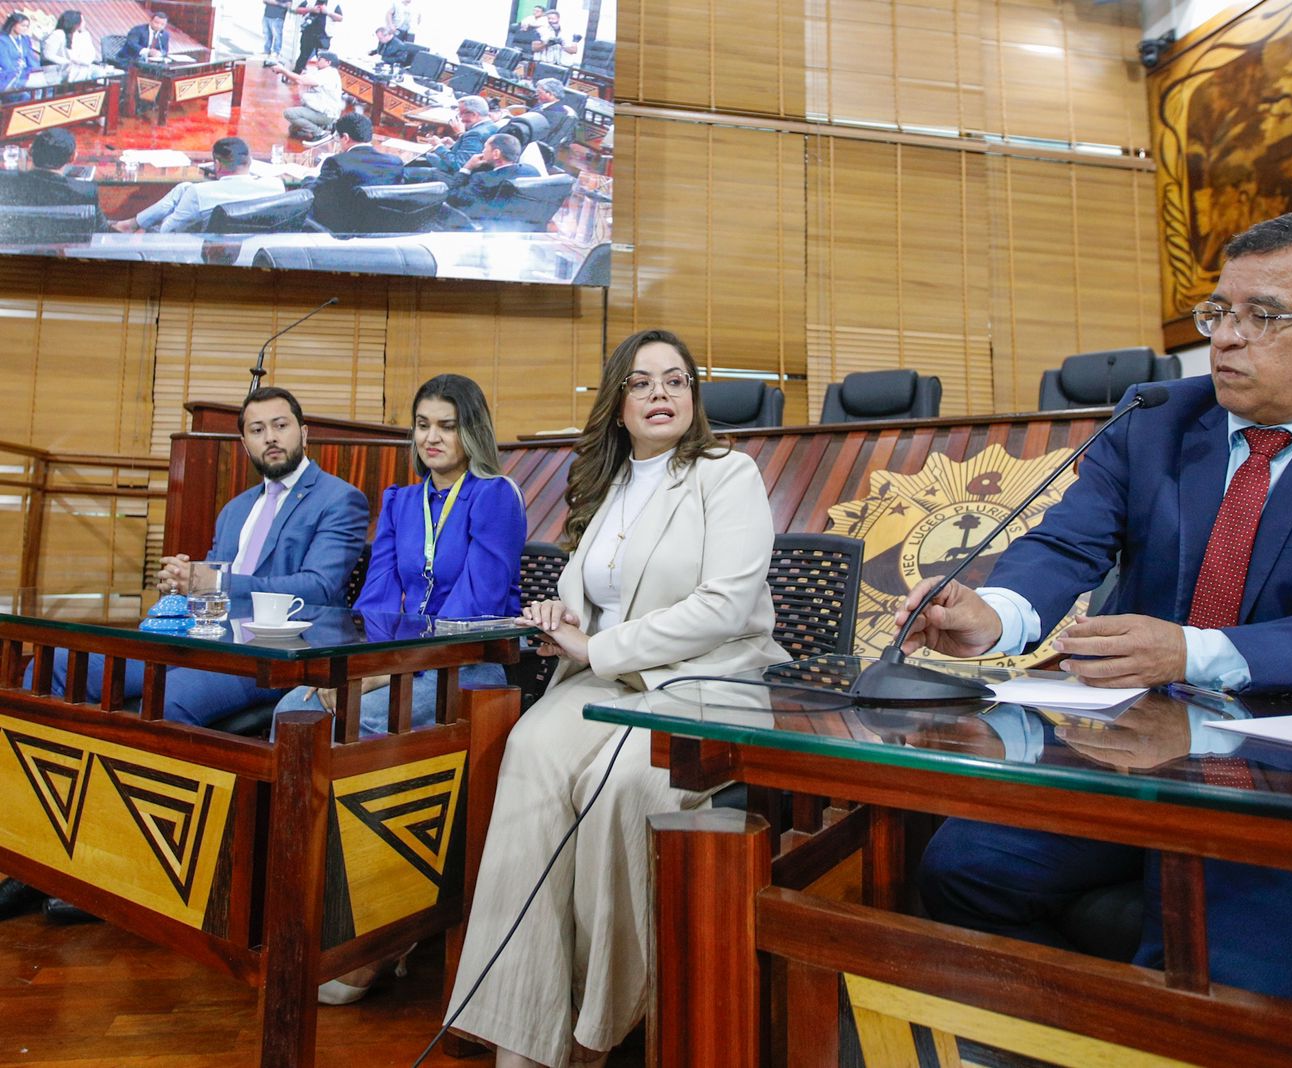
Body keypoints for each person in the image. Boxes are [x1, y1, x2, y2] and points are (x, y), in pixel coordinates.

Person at [900, 210, 1292, 1000]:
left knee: (1217, 962)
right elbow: (1068, 544)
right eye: (1218, 313)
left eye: (1264, 318)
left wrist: (1195, 650)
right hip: (1138, 754)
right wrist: (999, 615)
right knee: (961, 868)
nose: (1224, 338)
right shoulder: (1160, 418)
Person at [445, 329, 786, 1067]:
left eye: (675, 380)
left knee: (623, 782)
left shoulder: (728, 475)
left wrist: (598, 647)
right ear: (619, 404)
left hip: (712, 676)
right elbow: (599, 598)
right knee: (530, 749)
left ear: (694, 399)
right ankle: (520, 1025)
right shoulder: (610, 483)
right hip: (614, 673)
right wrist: (568, 620)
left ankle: (600, 1020)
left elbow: (725, 608)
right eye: (641, 383)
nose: (660, 394)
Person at [27, 387, 369, 726]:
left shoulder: (339, 499)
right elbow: (210, 585)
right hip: (206, 639)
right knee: (56, 663)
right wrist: (184, 582)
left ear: (303, 433)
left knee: (166, 698)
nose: (270, 438)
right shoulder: (235, 510)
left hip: (276, 654)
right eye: (257, 430)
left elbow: (319, 588)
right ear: (244, 444)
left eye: (281, 426)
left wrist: (216, 581)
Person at [274, 373, 524, 746]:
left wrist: (394, 673)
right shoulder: (401, 502)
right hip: (398, 663)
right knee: (292, 711)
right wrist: (357, 668)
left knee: (356, 722)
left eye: (447, 426)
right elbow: (377, 599)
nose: (431, 438)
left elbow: (473, 608)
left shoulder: (496, 495)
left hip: (467, 666)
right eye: (423, 425)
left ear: (472, 431)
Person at [113, 137, 284, 232]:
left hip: (205, 249)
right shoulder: (277, 185)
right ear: (250, 161)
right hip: (254, 244)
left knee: (186, 192)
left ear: (217, 164)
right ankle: (132, 223)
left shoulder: (200, 193)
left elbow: (168, 230)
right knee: (183, 187)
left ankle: (132, 224)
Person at [307, 111, 405, 231]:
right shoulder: (395, 163)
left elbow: (312, 194)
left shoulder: (336, 162)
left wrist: (309, 176)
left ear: (346, 138)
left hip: (342, 231)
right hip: (383, 228)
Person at [0, 128, 105, 225]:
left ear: (30, 150)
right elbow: (101, 229)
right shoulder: (86, 192)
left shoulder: (4, 182)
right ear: (72, 158)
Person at [445, 132, 545, 227]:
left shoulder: (482, 179)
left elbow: (452, 197)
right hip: (522, 225)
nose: (482, 151)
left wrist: (467, 168)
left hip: (483, 226)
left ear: (496, 153)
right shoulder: (532, 171)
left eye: (485, 148)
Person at [279, 48, 343, 143]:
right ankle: (326, 126)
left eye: (320, 59)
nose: (317, 61)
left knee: (290, 113)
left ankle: (320, 133)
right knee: (293, 129)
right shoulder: (326, 72)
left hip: (325, 114)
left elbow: (301, 80)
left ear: (328, 62)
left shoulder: (328, 74)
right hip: (319, 110)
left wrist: (283, 71)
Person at [421, 94, 496, 173]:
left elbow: (459, 165)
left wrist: (438, 145)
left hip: (451, 177)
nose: (459, 118)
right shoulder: (492, 126)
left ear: (473, 114)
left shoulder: (475, 134)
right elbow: (469, 153)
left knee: (410, 169)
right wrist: (454, 144)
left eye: (461, 114)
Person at [290, 0, 340, 73]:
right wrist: (310, 9)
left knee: (323, 58)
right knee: (303, 55)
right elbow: (297, 10)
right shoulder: (309, 1)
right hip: (308, 33)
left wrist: (327, 12)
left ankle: (321, 79)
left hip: (324, 36)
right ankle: (296, 74)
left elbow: (340, 18)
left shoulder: (334, 3)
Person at [0, 12, 40, 88]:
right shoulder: (2, 41)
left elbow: (31, 59)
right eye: (23, 26)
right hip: (7, 79)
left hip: (24, 76)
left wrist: (38, 71)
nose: (25, 28)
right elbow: (6, 65)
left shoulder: (25, 39)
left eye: (27, 26)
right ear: (13, 25)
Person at [261, 0, 291, 67]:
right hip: (267, 15)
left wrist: (275, 3)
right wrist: (280, 4)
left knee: (277, 36)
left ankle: (276, 53)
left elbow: (288, 4)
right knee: (267, 35)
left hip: (278, 17)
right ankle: (267, 52)